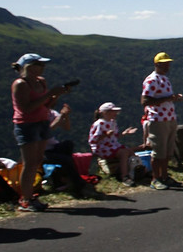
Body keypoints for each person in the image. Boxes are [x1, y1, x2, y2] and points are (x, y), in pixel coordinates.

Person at [11, 53, 73, 211]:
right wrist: (49, 93)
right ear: (29, 67)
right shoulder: (20, 84)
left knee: (37, 160)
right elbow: (26, 108)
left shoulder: (41, 82)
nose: (43, 67)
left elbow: (47, 106)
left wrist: (56, 95)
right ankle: (25, 199)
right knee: (29, 162)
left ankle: (31, 194)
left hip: (42, 122)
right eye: (40, 65)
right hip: (27, 125)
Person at [141, 52, 183, 190]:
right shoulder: (151, 80)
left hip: (169, 118)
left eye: (168, 63)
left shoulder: (164, 78)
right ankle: (156, 178)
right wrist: (168, 99)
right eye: (164, 63)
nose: (167, 66)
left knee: (167, 151)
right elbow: (145, 101)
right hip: (158, 119)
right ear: (157, 64)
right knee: (158, 151)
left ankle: (165, 176)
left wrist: (173, 98)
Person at [43, 103, 93, 198]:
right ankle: (77, 185)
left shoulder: (51, 113)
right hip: (41, 150)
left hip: (53, 146)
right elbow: (47, 131)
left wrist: (66, 116)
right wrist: (61, 116)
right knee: (66, 160)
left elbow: (67, 127)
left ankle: (62, 179)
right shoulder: (38, 115)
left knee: (68, 145)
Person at [88, 102, 139, 185]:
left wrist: (124, 133)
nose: (115, 113)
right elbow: (93, 140)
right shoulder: (99, 124)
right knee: (124, 153)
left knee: (129, 151)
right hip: (102, 148)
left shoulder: (113, 122)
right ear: (105, 113)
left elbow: (114, 137)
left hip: (112, 145)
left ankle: (135, 172)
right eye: (113, 111)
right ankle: (125, 177)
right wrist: (105, 135)